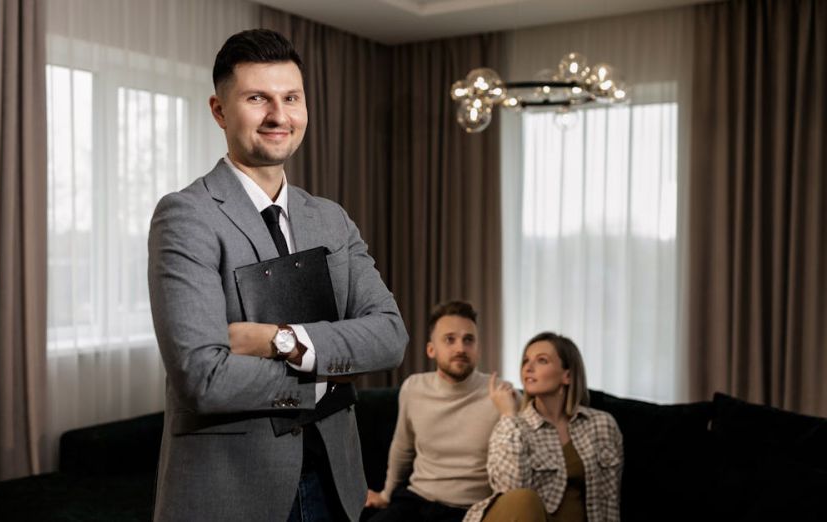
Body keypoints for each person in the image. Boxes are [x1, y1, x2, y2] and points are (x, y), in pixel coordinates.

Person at [147, 29, 408, 522]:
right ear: (220, 110)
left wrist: (280, 340)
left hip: (336, 485)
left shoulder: (331, 219)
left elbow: (391, 336)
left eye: (291, 98)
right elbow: (202, 378)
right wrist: (326, 380)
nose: (279, 116)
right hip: (233, 492)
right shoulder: (186, 216)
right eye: (257, 98)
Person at [464, 332, 623, 522]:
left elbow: (610, 500)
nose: (528, 368)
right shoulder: (513, 428)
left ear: (567, 376)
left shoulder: (602, 425)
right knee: (524, 499)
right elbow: (511, 495)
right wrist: (508, 415)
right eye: (525, 361)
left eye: (542, 360)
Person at [364, 301, 501, 522]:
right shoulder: (413, 388)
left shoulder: (500, 393)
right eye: (450, 339)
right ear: (431, 349)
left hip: (473, 510)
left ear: (478, 349)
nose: (460, 348)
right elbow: (402, 448)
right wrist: (386, 495)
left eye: (469, 340)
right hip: (417, 500)